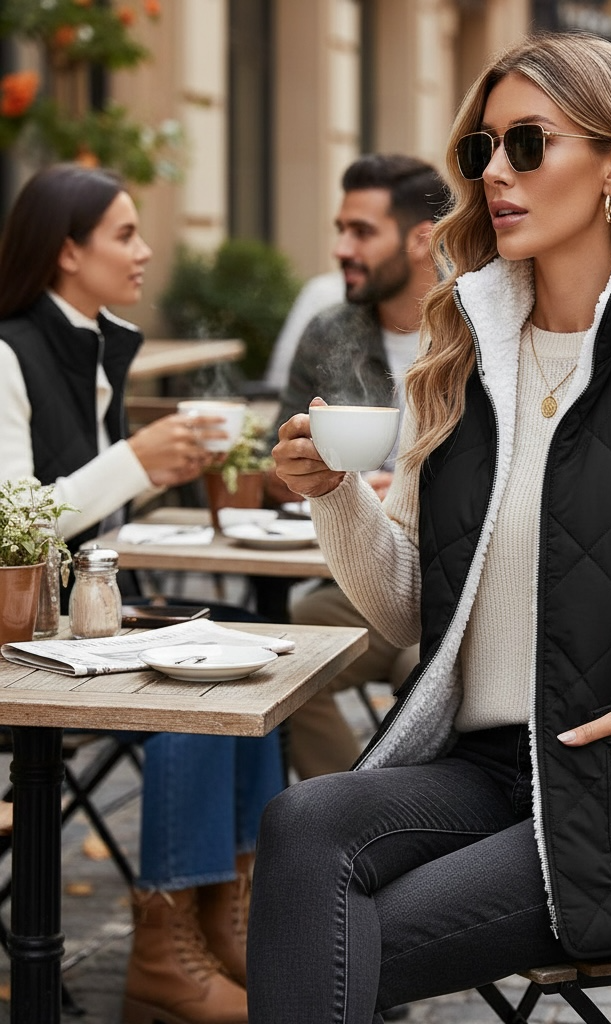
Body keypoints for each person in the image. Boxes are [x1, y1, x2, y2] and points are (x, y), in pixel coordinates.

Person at [249, 32, 611, 1024]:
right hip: (485, 770)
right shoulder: (462, 358)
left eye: (528, 144)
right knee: (304, 823)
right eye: (482, 148)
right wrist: (336, 493)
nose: (496, 172)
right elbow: (406, 610)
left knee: (332, 939)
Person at [0, 163, 284, 1024]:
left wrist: (157, 474)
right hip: (20, 637)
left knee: (246, 651)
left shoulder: (96, 346)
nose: (146, 251)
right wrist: (135, 462)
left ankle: (222, 922)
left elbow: (95, 522)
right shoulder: (7, 354)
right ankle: (163, 957)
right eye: (125, 234)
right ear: (66, 251)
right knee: (193, 688)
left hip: (81, 624)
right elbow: (13, 523)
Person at [266, 154, 449, 778]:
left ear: (421, 239)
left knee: (426, 672)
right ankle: (345, 808)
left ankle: (411, 815)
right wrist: (301, 468)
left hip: (457, 591)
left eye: (362, 232)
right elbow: (275, 466)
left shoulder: (478, 329)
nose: (342, 248)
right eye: (341, 229)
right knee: (285, 651)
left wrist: (409, 492)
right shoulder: (329, 331)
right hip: (360, 577)